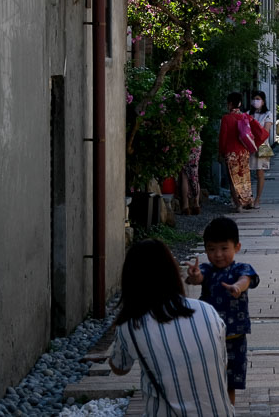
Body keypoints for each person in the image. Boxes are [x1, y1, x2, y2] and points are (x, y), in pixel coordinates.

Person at [109, 239, 234, 416]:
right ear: (172, 273)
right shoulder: (207, 311)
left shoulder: (131, 325)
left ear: (131, 281)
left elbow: (120, 367)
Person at [186, 217, 260, 406]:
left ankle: (229, 411)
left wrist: (237, 287)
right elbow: (197, 278)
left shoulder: (241, 269)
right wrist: (194, 276)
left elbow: (247, 279)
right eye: (211, 249)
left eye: (224, 248)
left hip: (235, 337)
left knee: (230, 383)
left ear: (237, 246)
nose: (218, 254)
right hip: (208, 337)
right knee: (207, 380)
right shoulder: (207, 270)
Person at [219, 92, 255, 210]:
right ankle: (248, 200)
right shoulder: (245, 117)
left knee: (233, 179)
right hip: (244, 152)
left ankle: (238, 204)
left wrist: (221, 152)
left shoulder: (226, 118)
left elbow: (223, 137)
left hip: (231, 153)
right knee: (244, 177)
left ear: (230, 104)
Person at [247, 91, 274, 209]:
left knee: (260, 173)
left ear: (263, 101)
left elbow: (266, 132)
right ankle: (248, 198)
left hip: (263, 145)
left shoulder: (268, 114)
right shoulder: (248, 113)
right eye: (254, 99)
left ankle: (257, 199)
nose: (255, 101)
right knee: (246, 173)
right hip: (248, 145)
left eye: (258, 99)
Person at [178, 128, 202, 215]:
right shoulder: (197, 116)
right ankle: (196, 204)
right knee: (195, 174)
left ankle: (185, 206)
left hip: (185, 142)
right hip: (196, 142)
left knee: (184, 175)